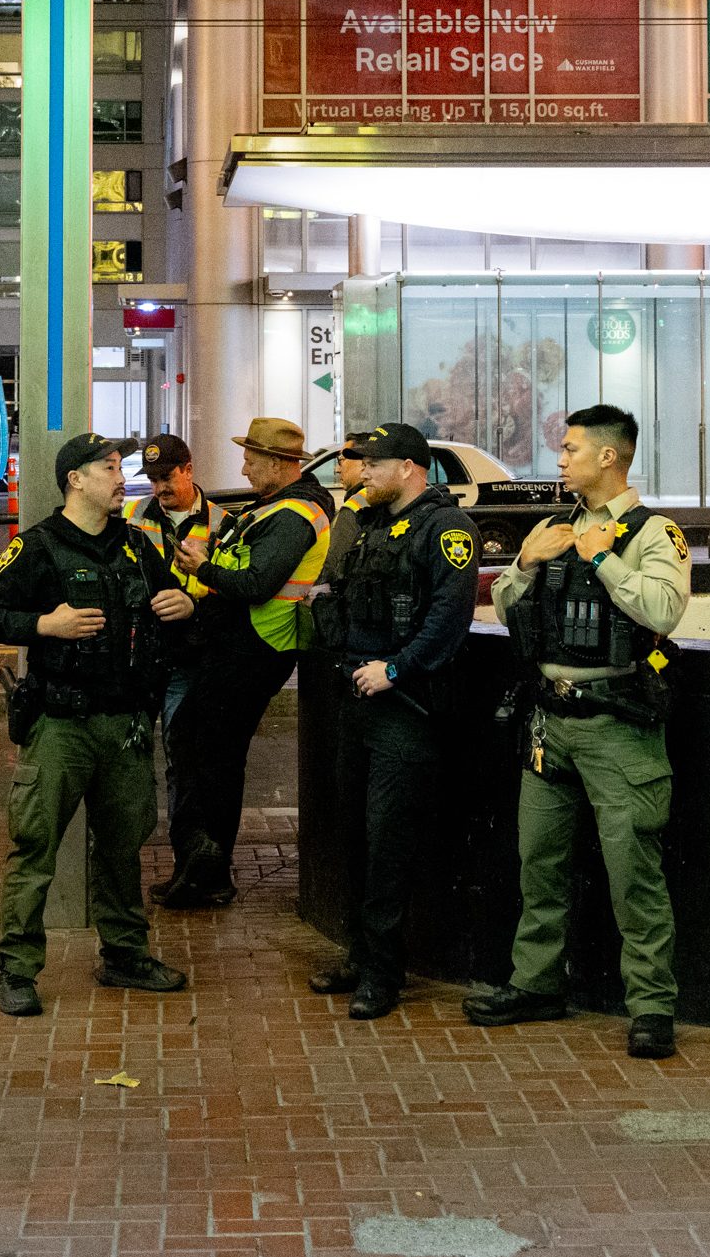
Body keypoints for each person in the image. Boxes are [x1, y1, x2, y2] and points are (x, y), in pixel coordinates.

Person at [464, 404, 692, 1060]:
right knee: (539, 859)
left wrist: (604, 560)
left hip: (618, 728)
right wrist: (526, 564)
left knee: (633, 872)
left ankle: (651, 1003)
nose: (559, 459)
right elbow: (507, 608)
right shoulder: (554, 527)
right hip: (549, 721)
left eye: (569, 449)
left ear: (608, 457)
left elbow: (663, 610)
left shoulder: (655, 533)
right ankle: (535, 982)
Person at [0, 431, 195, 1016]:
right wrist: (46, 625)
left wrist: (186, 603)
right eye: (109, 467)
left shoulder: (136, 545)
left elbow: (170, 602)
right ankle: (16, 970)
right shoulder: (39, 547)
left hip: (125, 726)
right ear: (75, 479)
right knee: (35, 847)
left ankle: (124, 956)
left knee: (123, 847)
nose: (122, 478)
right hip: (60, 725)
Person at [309, 422, 479, 1019]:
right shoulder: (372, 525)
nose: (361, 473)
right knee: (353, 834)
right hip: (360, 700)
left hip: (405, 709)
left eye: (371, 463)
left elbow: (448, 620)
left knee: (388, 844)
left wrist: (397, 670)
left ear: (409, 467)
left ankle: (384, 972)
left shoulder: (446, 528)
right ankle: (362, 953)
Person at [159, 417, 333, 909]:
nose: (244, 468)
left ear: (279, 464)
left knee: (211, 756)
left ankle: (210, 874)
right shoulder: (275, 507)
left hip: (255, 649)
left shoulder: (295, 513)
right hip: (241, 645)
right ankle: (202, 867)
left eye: (252, 461)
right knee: (200, 747)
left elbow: (258, 583)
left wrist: (202, 567)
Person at [122, 433, 225, 897]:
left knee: (184, 763)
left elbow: (235, 593)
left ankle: (192, 867)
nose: (158, 488)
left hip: (190, 656)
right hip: (143, 655)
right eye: (152, 479)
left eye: (166, 477)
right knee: (131, 757)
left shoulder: (224, 524)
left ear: (189, 469)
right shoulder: (133, 518)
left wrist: (195, 605)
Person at [320, 429, 373, 585]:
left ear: (363, 463)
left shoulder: (354, 506)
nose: (337, 469)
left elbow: (333, 567)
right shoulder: (387, 498)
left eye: (341, 460)